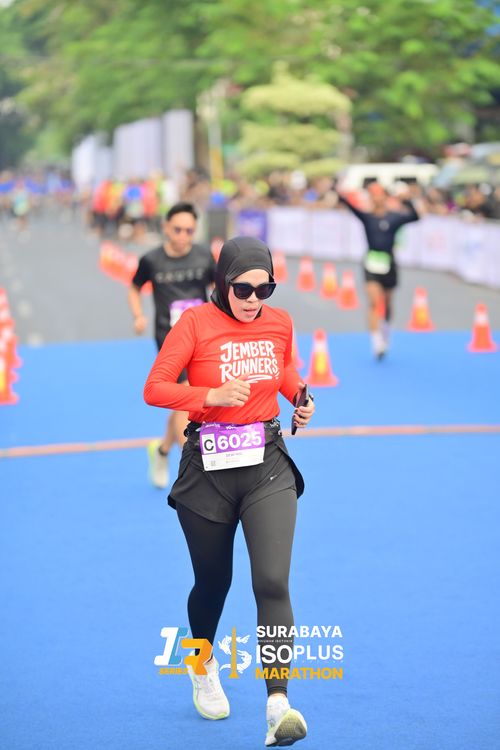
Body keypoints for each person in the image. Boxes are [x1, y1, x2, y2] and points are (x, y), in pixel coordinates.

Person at [143, 236, 315, 746]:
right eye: (243, 289)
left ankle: (278, 704)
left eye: (265, 289)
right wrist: (209, 394)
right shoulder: (195, 323)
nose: (253, 299)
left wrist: (299, 395)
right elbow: (155, 387)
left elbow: (282, 369)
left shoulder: (279, 322)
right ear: (223, 283)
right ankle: (201, 662)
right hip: (208, 469)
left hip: (267, 464)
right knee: (213, 583)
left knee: (272, 582)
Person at [129, 202, 216, 488]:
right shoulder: (151, 260)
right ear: (166, 228)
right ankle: (192, 466)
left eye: (189, 231)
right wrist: (138, 315)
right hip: (169, 339)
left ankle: (162, 450)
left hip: (203, 336)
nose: (183, 236)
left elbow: (218, 290)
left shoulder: (204, 256)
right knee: (187, 396)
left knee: (186, 398)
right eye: (177, 229)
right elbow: (134, 288)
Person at [337, 182, 420, 358]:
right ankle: (376, 342)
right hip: (371, 263)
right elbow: (350, 206)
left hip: (389, 263)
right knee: (374, 302)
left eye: (380, 196)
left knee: (387, 303)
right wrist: (341, 192)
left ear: (385, 198)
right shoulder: (367, 217)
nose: (377, 199)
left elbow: (415, 217)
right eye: (374, 196)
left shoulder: (394, 218)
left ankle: (385, 330)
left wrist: (407, 200)